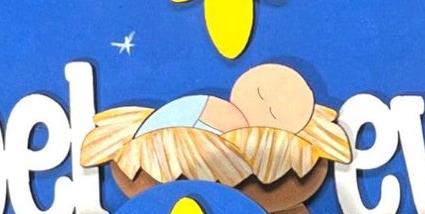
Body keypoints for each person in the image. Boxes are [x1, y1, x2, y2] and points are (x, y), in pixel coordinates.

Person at [132, 63, 317, 140]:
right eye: (260, 94)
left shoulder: (246, 139)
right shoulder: (209, 106)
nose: (265, 104)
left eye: (273, 114)